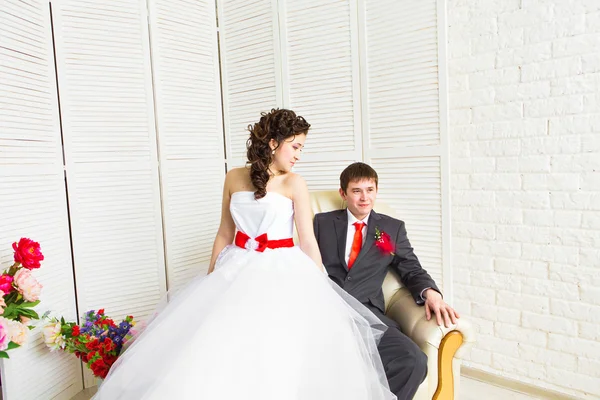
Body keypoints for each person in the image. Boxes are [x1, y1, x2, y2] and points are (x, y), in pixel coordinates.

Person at [92, 110, 396, 400]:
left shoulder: (294, 182)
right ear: (274, 143)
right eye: (296, 146)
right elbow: (225, 232)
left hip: (283, 269)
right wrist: (211, 278)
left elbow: (306, 240)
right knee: (219, 346)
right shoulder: (234, 177)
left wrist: (322, 288)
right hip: (236, 266)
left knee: (276, 347)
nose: (299, 155)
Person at [313, 162, 460, 400]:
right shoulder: (322, 223)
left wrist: (431, 293)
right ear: (343, 193)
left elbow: (409, 266)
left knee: (414, 361)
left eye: (370, 190)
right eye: (356, 191)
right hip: (326, 313)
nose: (364, 198)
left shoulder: (389, 230)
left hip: (370, 318)